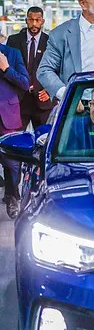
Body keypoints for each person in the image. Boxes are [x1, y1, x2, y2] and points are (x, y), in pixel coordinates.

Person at [8, 6, 54, 128]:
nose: (34, 23)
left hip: (42, 99)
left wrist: (50, 89)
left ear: (42, 21)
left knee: (45, 139)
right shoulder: (14, 41)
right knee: (15, 139)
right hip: (19, 99)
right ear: (26, 20)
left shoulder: (50, 41)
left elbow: (57, 68)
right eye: (31, 20)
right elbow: (7, 68)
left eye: (37, 20)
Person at [0, 41, 29, 218]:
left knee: (12, 163)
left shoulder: (12, 53)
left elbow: (25, 83)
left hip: (7, 117)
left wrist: (6, 68)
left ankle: (12, 196)